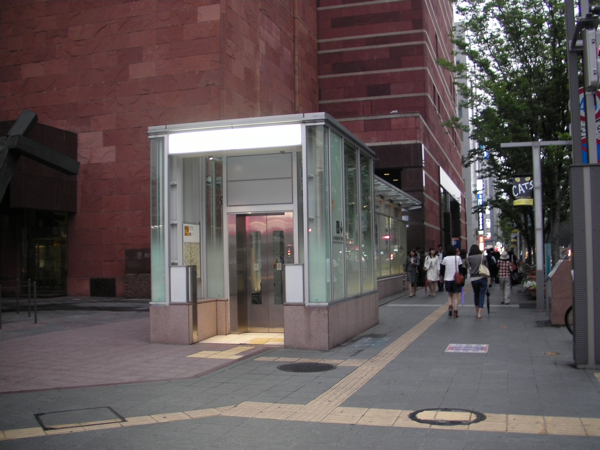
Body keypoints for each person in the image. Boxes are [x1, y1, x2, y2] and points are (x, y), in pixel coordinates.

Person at [440, 246, 465, 318]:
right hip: (456, 279)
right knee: (456, 297)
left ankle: (450, 307)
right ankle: (456, 312)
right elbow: (461, 269)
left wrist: (441, 277)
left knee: (450, 295)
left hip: (447, 279)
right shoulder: (458, 258)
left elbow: (442, 270)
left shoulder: (445, 259)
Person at [467, 244, 489, 319]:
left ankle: (477, 311)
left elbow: (468, 266)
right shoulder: (482, 256)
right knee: (482, 295)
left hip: (474, 278)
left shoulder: (469, 258)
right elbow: (487, 266)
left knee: (476, 294)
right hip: (482, 277)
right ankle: (479, 312)